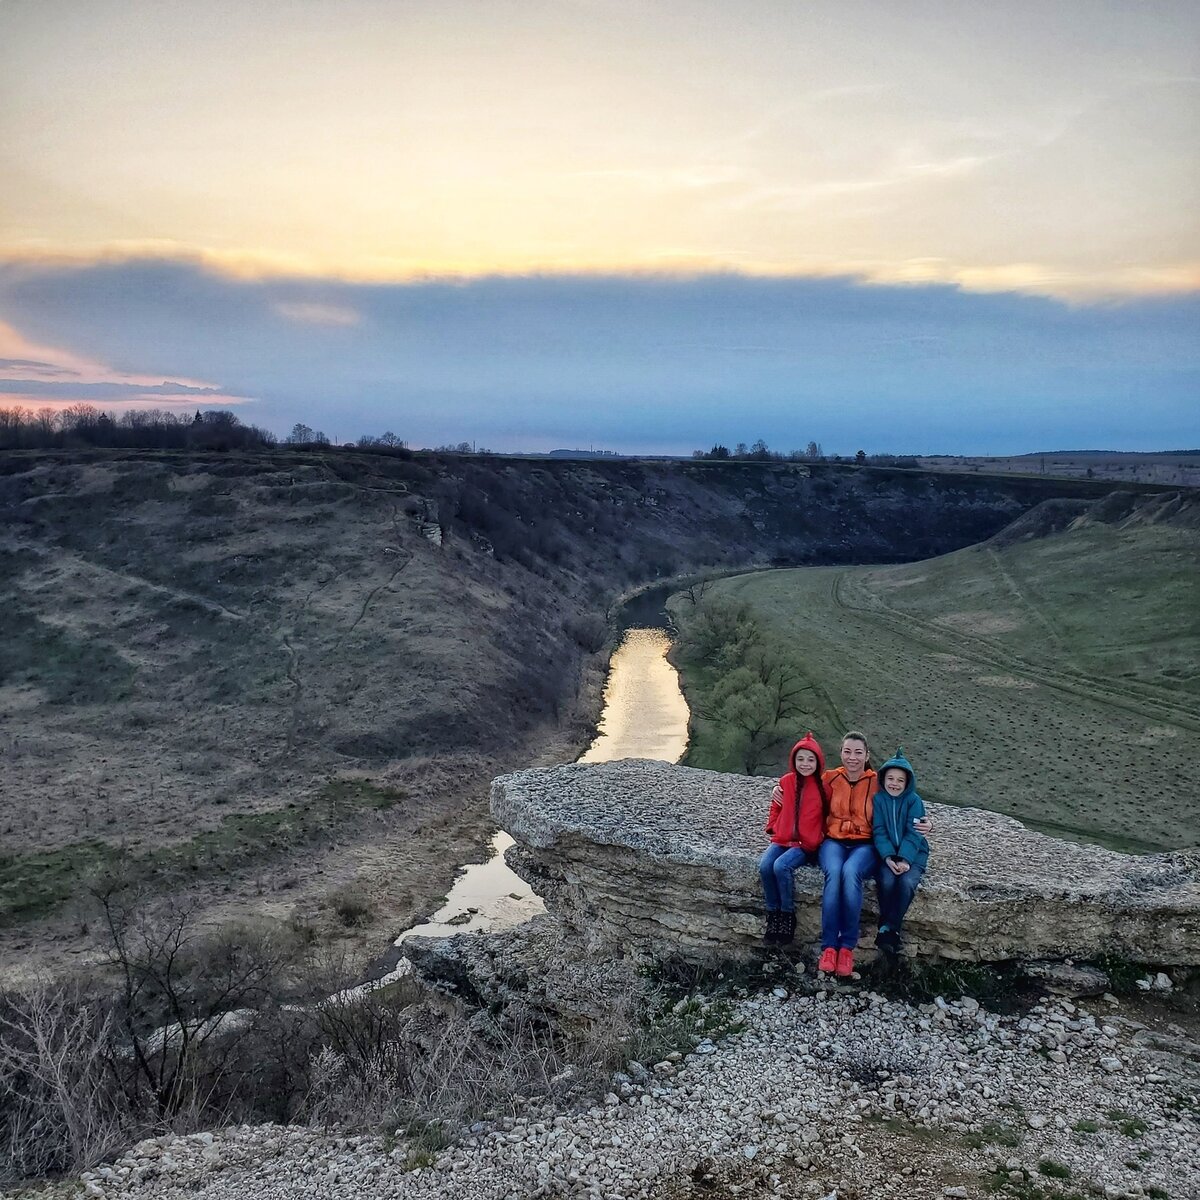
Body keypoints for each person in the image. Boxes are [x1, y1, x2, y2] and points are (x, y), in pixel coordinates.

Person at [816, 731, 879, 978]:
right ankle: (829, 946)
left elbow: (904, 798)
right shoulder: (830, 778)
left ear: (867, 755)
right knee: (833, 872)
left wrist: (923, 821)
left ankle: (847, 948)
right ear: (841, 752)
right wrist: (779, 793)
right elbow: (803, 791)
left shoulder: (878, 782)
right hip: (834, 841)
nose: (852, 758)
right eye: (847, 751)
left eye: (858, 752)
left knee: (851, 872)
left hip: (865, 845)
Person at [759, 732, 827, 946]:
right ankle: (773, 913)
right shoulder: (786, 782)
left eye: (810, 759)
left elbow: (829, 814)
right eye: (800, 759)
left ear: (818, 762)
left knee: (781, 867)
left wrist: (821, 836)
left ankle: (787, 914)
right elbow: (776, 805)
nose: (805, 764)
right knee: (765, 866)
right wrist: (773, 826)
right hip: (783, 838)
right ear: (793, 761)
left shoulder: (825, 787)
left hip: (806, 844)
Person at [871, 748, 929, 954]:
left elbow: (914, 833)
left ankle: (889, 928)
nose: (894, 784)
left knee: (906, 882)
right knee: (886, 881)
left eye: (900, 780)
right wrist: (887, 857)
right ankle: (887, 928)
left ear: (907, 783)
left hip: (913, 855)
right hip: (887, 855)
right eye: (890, 778)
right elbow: (878, 831)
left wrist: (905, 859)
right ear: (883, 779)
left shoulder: (914, 801)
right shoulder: (878, 800)